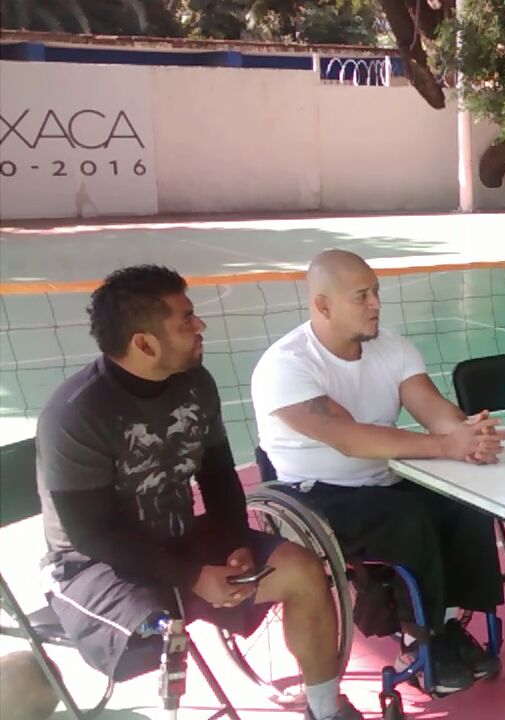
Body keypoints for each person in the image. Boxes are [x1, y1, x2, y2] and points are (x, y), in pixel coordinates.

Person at [36, 265, 357, 720]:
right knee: (154, 636)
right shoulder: (77, 414)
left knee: (302, 571)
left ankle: (326, 711)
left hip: (182, 541)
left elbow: (220, 478)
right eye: (186, 319)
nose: (200, 324)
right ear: (144, 344)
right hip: (96, 566)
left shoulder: (195, 383)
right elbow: (90, 535)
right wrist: (193, 576)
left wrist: (235, 543)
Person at [251, 250, 505, 695]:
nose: (375, 304)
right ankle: (416, 641)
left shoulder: (392, 347)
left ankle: (447, 626)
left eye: (376, 293)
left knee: (465, 502)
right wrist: (445, 446)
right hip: (313, 495)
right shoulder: (286, 365)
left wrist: (469, 433)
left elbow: (433, 410)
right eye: (361, 296)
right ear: (323, 305)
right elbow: (350, 438)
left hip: (384, 480)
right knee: (406, 517)